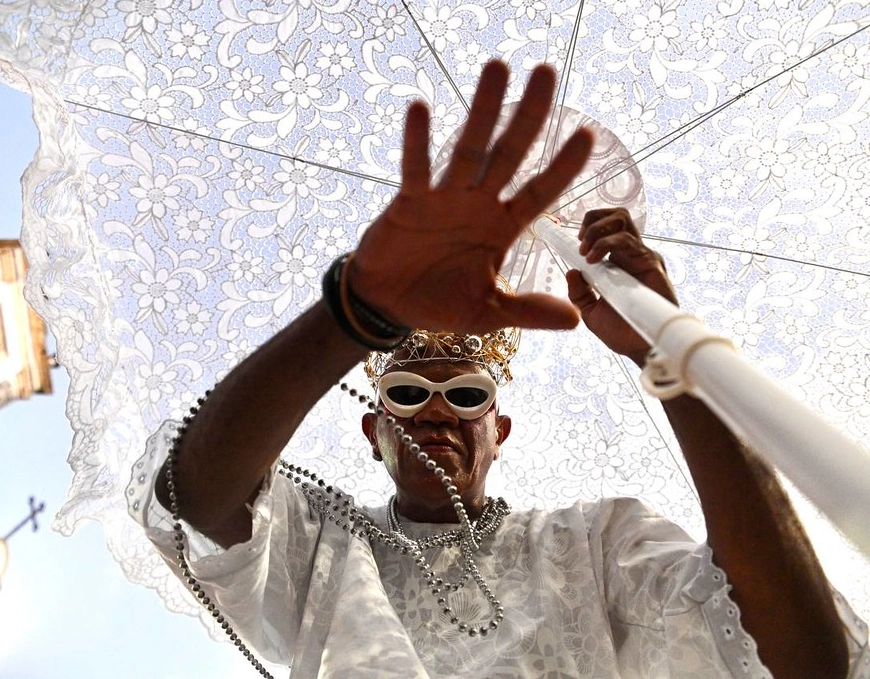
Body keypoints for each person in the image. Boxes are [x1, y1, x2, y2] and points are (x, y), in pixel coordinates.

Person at [128, 61, 868, 678]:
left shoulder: (598, 542)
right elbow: (200, 493)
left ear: (499, 427)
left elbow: (805, 659)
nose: (438, 411)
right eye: (409, 393)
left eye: (466, 393)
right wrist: (354, 311)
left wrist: (666, 355)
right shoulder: (326, 542)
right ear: (373, 427)